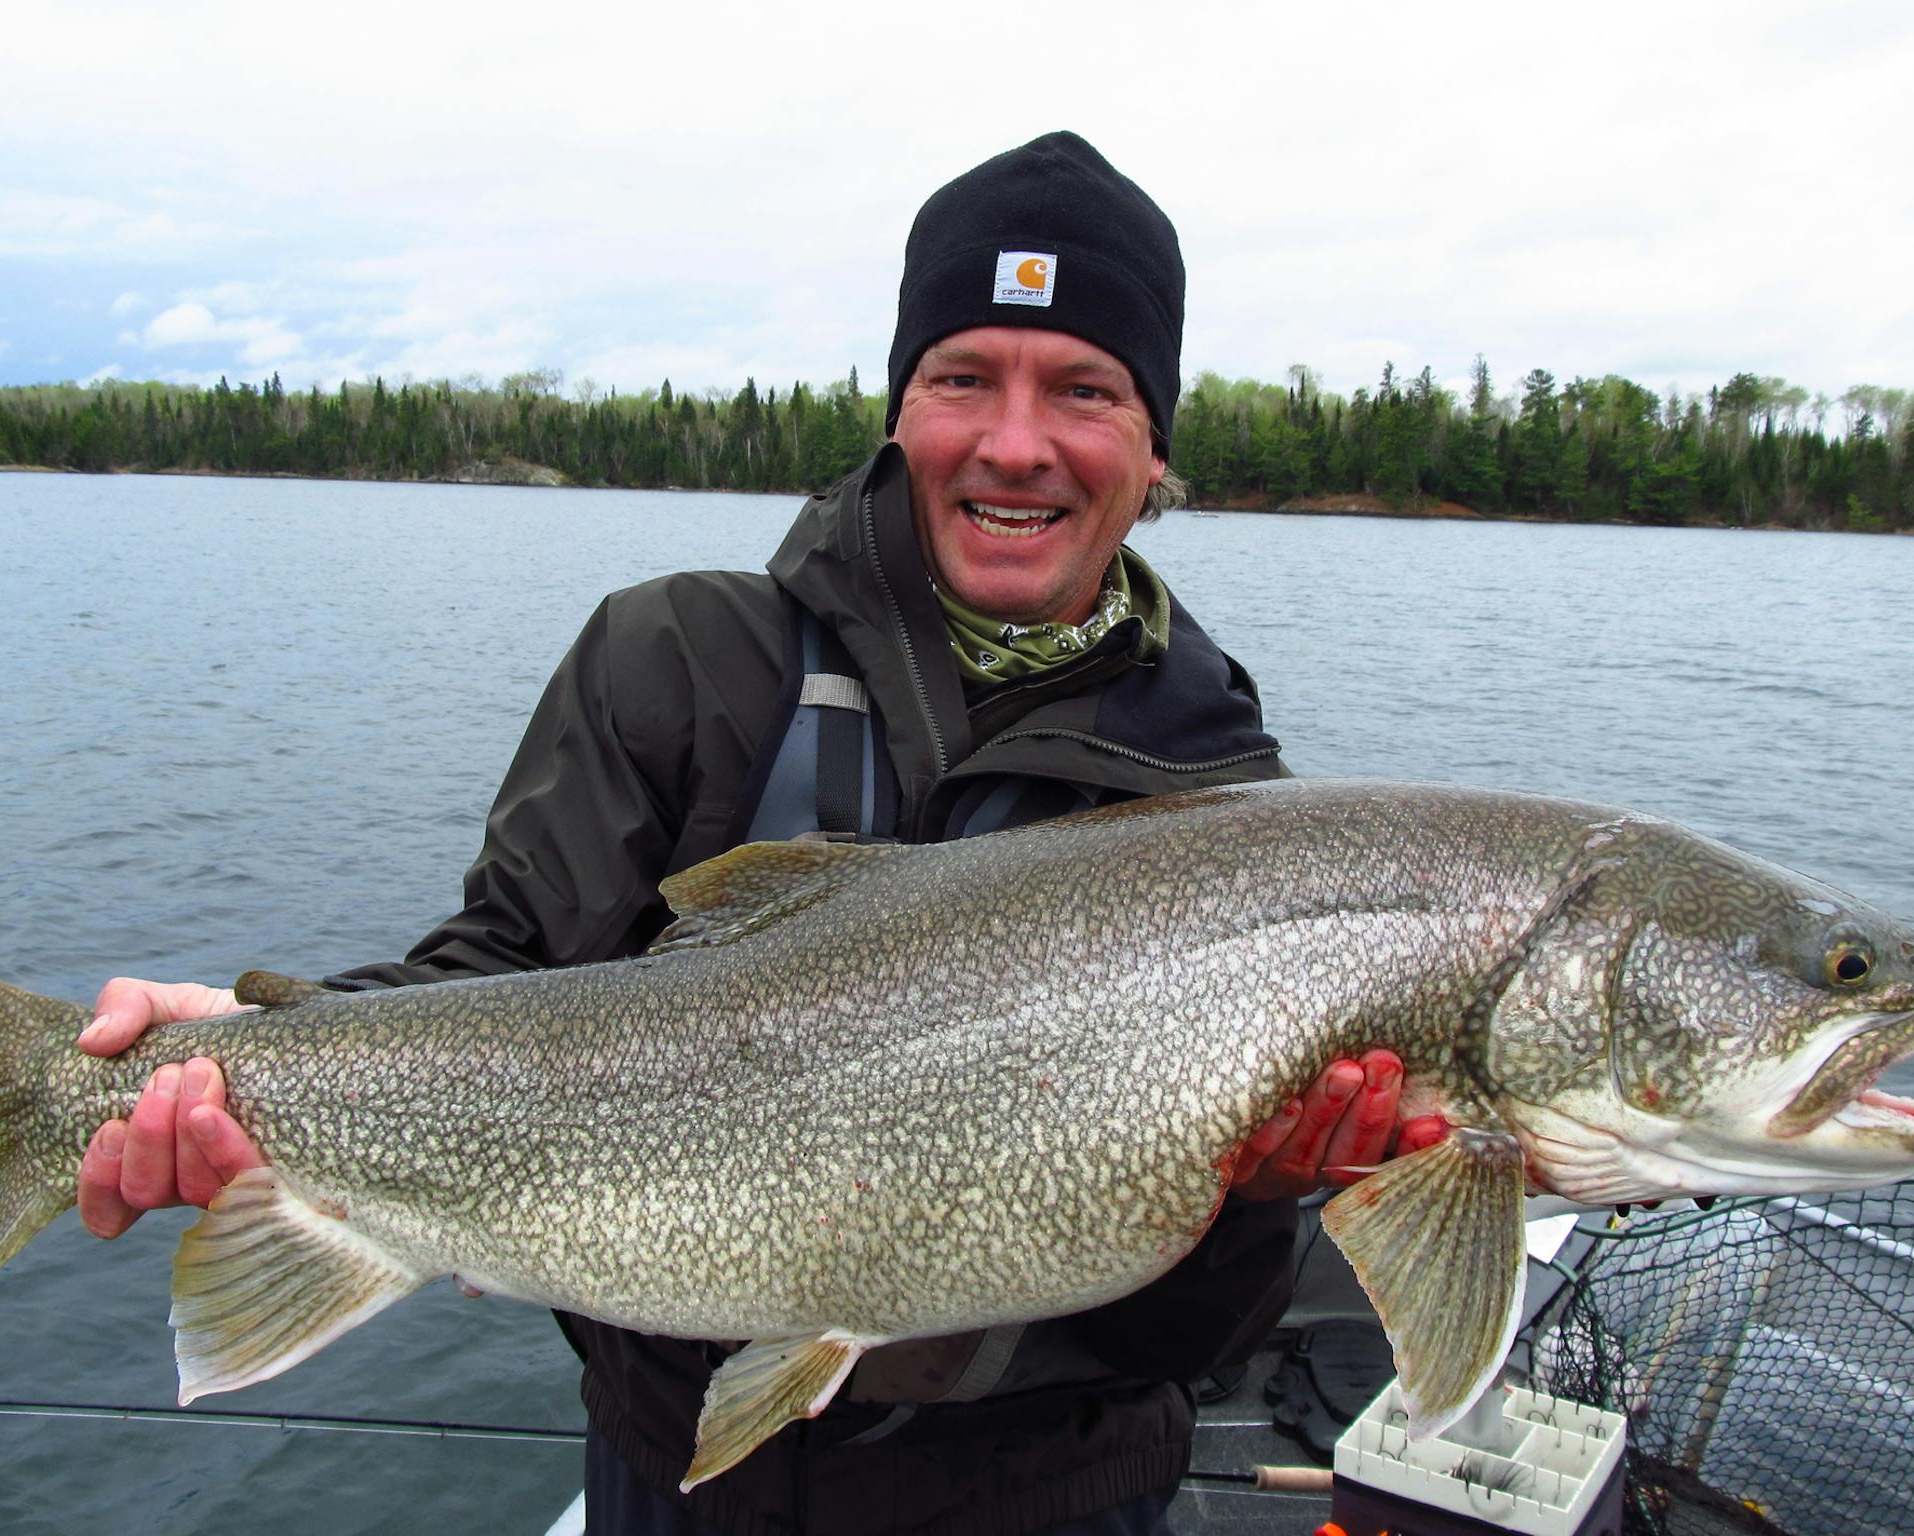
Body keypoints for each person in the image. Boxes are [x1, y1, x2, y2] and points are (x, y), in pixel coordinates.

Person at [73, 132, 1426, 1535]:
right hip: (681, 1478)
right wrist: (233, 1041)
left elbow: (1185, 1342)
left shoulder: (1218, 799)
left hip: (1055, 1492)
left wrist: (1266, 1196)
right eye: (964, 377)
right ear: (901, 411)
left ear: (1153, 449)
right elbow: (495, 980)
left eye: (1083, 390)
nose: (1014, 442)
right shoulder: (681, 657)